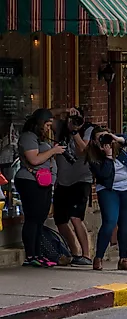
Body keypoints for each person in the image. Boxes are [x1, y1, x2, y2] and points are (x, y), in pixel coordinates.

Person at [85, 127, 127, 271]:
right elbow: (103, 175)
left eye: (105, 137)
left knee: (125, 224)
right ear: (93, 141)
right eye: (99, 138)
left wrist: (117, 139)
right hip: (108, 189)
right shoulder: (93, 156)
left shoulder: (117, 144)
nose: (104, 141)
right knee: (110, 221)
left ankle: (123, 259)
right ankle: (98, 257)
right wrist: (108, 156)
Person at [15, 109, 64, 268]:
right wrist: (53, 151)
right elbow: (34, 159)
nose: (49, 128)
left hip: (44, 183)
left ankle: (38, 254)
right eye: (47, 124)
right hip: (30, 181)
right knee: (32, 218)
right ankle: (30, 255)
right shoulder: (28, 137)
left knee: (40, 220)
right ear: (40, 123)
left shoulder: (40, 138)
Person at [54, 107, 96, 266]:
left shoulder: (88, 129)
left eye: (78, 117)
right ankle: (74, 252)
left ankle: (86, 255)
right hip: (63, 180)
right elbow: (42, 115)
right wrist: (64, 111)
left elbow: (83, 150)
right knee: (60, 219)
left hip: (81, 179)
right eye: (72, 118)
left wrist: (75, 131)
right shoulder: (60, 127)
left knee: (76, 217)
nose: (74, 120)